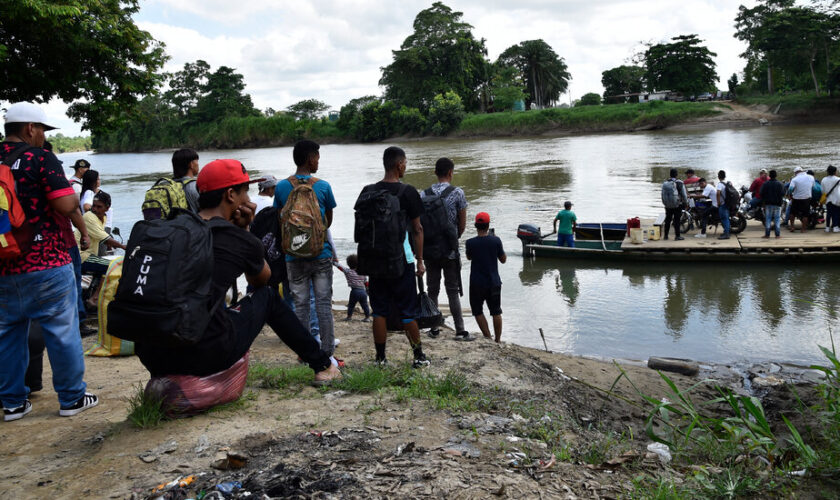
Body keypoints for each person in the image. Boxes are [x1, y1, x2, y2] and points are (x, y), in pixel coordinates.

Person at [135, 159, 342, 386]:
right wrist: (245, 230)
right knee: (270, 297)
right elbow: (262, 280)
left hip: (151, 355)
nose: (249, 200)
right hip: (201, 356)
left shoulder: (175, 226)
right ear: (231, 195)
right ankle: (323, 366)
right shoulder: (233, 236)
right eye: (245, 192)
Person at [1, 101, 98, 420]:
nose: (43, 136)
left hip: (3, 263)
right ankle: (71, 398)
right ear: (30, 128)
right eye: (42, 129)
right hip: (45, 260)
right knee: (61, 328)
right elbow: (66, 202)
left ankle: (13, 402)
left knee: (6, 333)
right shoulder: (40, 159)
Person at [356, 146, 429, 368]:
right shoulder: (408, 192)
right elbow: (417, 230)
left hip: (374, 260)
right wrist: (419, 260)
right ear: (399, 165)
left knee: (379, 310)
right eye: (405, 163)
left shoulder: (368, 190)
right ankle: (418, 357)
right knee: (408, 311)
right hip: (401, 260)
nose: (406, 166)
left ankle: (380, 359)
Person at [273, 140, 339, 366]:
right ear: (310, 159)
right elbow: (327, 221)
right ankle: (327, 353)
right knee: (323, 304)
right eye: (317, 157)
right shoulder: (323, 186)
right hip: (320, 255)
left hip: (293, 256)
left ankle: (304, 354)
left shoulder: (282, 187)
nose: (318, 161)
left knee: (300, 306)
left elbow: (280, 219)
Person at [419, 157, 469, 340]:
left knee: (433, 289)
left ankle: (433, 328)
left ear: (435, 173)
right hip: (449, 250)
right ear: (450, 172)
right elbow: (462, 225)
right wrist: (453, 240)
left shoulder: (423, 194)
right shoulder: (457, 193)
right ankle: (460, 330)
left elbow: (419, 226)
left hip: (430, 250)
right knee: (453, 291)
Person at [75, 192, 126, 308]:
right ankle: (95, 299)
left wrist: (110, 245)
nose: (95, 209)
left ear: (107, 208)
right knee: (113, 266)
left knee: (108, 265)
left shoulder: (103, 217)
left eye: (99, 207)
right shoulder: (89, 217)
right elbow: (105, 239)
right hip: (82, 256)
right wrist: (123, 246)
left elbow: (99, 235)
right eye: (94, 205)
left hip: (89, 255)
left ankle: (93, 296)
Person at [466, 212, 506, 343]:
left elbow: (469, 257)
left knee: (477, 310)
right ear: (488, 226)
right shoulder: (496, 240)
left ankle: (488, 337)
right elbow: (503, 260)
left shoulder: (470, 243)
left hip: (477, 282)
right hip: (493, 281)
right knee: (496, 311)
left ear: (476, 226)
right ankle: (498, 340)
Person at [335, 254, 370, 322]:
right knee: (365, 305)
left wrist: (334, 262)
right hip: (363, 292)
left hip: (355, 291)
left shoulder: (348, 271)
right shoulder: (362, 272)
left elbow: (340, 267)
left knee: (351, 305)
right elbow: (366, 282)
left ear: (348, 264)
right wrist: (367, 289)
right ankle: (367, 317)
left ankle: (349, 317)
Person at [661, 168, 688, 240]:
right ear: (676, 174)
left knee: (668, 220)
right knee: (677, 221)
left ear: (670, 174)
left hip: (668, 205)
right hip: (677, 205)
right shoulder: (680, 183)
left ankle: (666, 236)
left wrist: (665, 203)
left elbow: (662, 194)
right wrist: (686, 203)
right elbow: (684, 195)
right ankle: (677, 236)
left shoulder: (665, 183)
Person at [171, 148, 200, 213]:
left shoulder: (170, 185)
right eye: (197, 161)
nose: (198, 164)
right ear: (191, 164)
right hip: (192, 222)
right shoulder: (195, 186)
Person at [759, 170, 784, 239]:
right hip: (778, 204)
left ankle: (767, 234)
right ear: (776, 175)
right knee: (777, 219)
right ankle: (777, 235)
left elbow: (761, 193)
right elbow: (783, 193)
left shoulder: (765, 184)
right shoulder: (780, 184)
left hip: (768, 204)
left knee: (768, 219)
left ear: (769, 176)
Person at [788, 166, 814, 233]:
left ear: (796, 172)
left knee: (792, 213)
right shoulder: (811, 177)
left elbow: (790, 189)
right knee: (805, 214)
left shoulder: (795, 179)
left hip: (796, 199)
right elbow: (813, 187)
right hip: (807, 198)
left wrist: (789, 196)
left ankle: (792, 227)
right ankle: (803, 229)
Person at [822, 165, 840, 233]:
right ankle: (835, 227)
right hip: (836, 198)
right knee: (836, 213)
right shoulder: (838, 179)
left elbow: (823, 190)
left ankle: (827, 227)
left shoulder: (824, 179)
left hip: (827, 198)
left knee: (829, 213)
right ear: (835, 171)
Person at [716, 170, 731, 240]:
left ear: (718, 176)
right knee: (726, 218)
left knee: (724, 219)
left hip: (723, 204)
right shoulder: (727, 183)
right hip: (727, 203)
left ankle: (726, 234)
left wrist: (718, 202)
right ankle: (726, 232)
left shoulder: (720, 184)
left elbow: (718, 193)